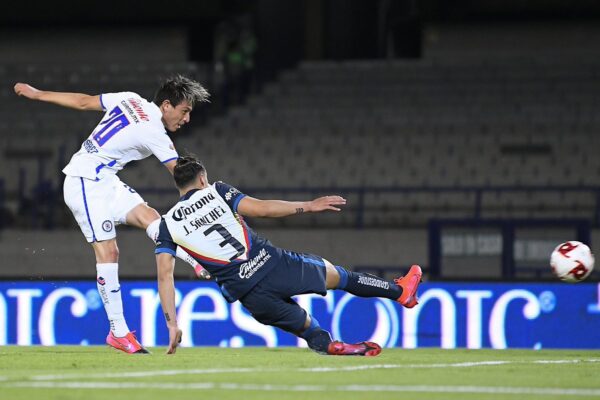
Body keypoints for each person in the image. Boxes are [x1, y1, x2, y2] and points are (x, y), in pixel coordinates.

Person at [13, 76, 211, 354]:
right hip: (84, 181)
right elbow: (182, 176)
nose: (187, 119)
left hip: (106, 179)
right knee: (109, 252)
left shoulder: (130, 98)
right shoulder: (154, 131)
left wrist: (38, 94)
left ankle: (194, 260)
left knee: (150, 216)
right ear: (167, 105)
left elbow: (83, 102)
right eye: (185, 111)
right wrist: (213, 202)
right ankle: (118, 332)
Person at [155, 156, 423, 356]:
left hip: (249, 295)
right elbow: (261, 209)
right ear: (202, 179)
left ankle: (331, 345)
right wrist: (308, 205)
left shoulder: (167, 225)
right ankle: (399, 292)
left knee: (308, 328)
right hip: (274, 265)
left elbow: (165, 276)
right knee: (340, 276)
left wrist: (172, 325)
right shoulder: (217, 191)